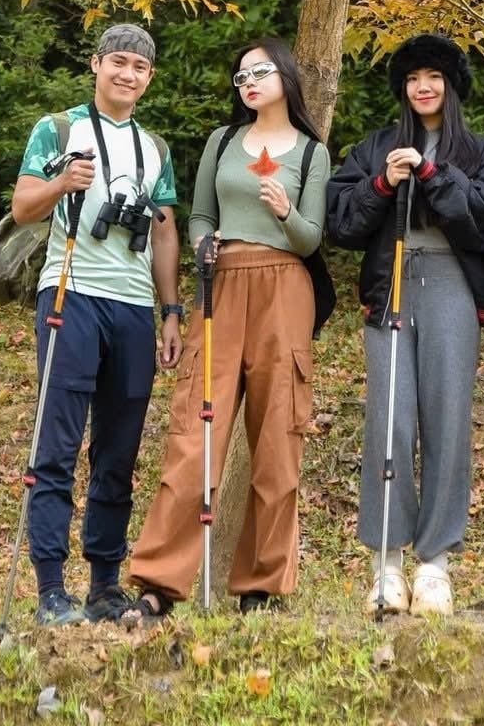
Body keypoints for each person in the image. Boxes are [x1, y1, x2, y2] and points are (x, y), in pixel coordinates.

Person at [126, 38, 332, 617]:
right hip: (222, 283)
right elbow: (198, 215)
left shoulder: (313, 155)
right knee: (195, 430)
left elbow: (313, 237)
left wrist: (285, 212)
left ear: (286, 77)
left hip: (285, 288)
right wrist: (201, 244)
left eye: (260, 71)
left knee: (277, 439)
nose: (248, 81)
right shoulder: (221, 142)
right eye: (241, 74)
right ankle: (159, 585)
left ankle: (261, 587)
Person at [10, 23, 182, 626]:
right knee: (56, 445)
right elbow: (22, 205)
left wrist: (171, 310)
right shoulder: (58, 129)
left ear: (149, 77)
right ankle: (50, 587)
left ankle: (104, 584)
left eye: (139, 66)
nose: (127, 74)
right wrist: (63, 182)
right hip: (70, 292)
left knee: (118, 450)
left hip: (133, 307)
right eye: (118, 62)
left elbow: (162, 230)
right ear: (96, 64)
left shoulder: (155, 147)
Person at [326, 31, 484, 616]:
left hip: (453, 284)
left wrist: (432, 173)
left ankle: (435, 565)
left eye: (433, 77)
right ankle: (386, 564)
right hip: (392, 284)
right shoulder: (375, 145)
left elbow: (482, 224)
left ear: (451, 86)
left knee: (448, 420)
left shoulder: (477, 150)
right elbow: (342, 223)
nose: (422, 87)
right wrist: (384, 182)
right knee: (390, 420)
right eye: (412, 78)